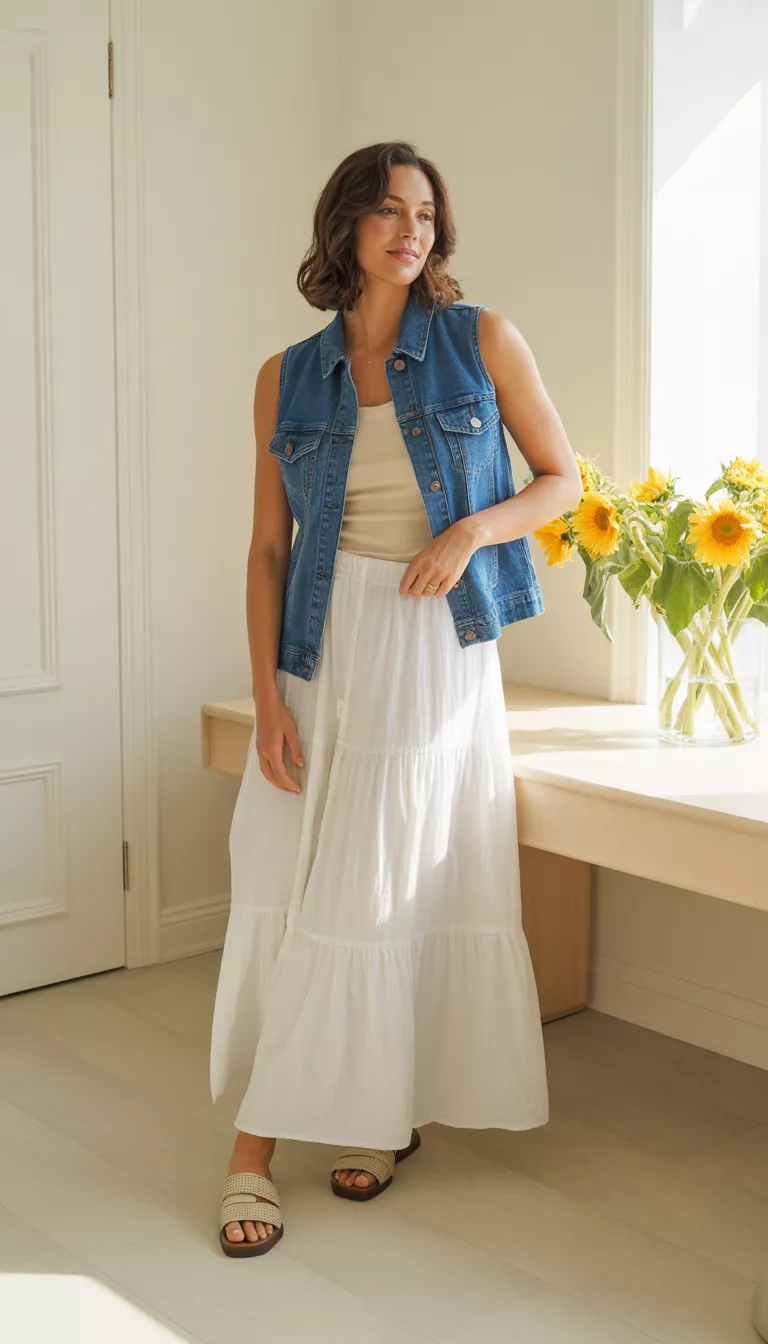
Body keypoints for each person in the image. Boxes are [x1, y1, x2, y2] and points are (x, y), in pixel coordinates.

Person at [210, 140, 582, 1256]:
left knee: (378, 891)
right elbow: (269, 548)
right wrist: (266, 696)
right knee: (286, 879)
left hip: (431, 644)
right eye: (384, 211)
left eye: (425, 213)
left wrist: (472, 530)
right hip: (317, 650)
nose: (409, 230)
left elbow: (563, 479)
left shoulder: (482, 344)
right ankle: (308, 1127)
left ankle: (291, 1139)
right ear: (344, 230)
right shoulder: (286, 374)